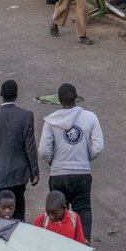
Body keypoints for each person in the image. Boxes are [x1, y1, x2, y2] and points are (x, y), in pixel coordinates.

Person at [41, 81, 104, 232]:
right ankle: (84, 242)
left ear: (59, 101)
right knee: (83, 209)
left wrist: (52, 161)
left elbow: (44, 150)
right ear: (76, 98)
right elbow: (98, 147)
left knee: (60, 212)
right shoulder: (90, 117)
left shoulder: (51, 121)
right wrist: (85, 158)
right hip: (81, 173)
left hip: (58, 174)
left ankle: (62, 244)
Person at [0, 78, 39, 221]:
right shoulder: (26, 116)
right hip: (19, 175)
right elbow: (30, 146)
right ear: (16, 94)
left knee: (2, 216)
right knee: (18, 216)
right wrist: (34, 172)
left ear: (0, 94)